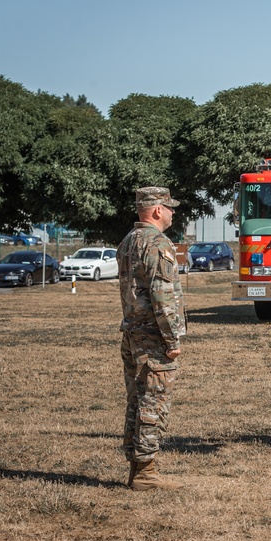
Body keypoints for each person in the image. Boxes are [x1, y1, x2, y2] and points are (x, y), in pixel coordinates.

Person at [117, 186, 186, 491]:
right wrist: (173, 340)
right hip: (152, 338)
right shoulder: (158, 243)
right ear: (157, 210)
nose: (173, 212)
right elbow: (162, 296)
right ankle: (145, 473)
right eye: (170, 207)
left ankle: (137, 466)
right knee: (153, 403)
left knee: (137, 400)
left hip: (132, 333)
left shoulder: (128, 241)